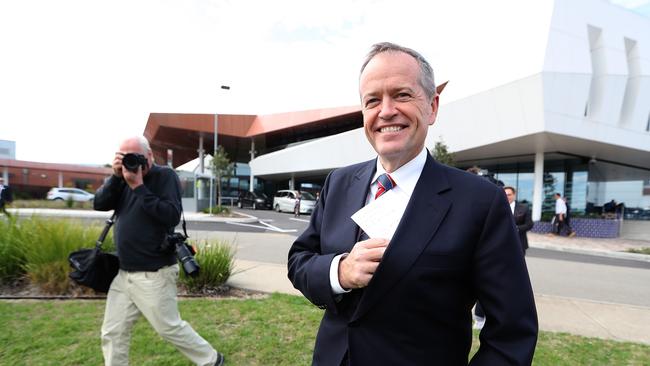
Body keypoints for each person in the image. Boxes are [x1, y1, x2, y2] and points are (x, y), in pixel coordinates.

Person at [288, 42, 537, 365]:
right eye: (372, 100)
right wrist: (340, 271)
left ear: (432, 107)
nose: (386, 110)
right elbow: (300, 261)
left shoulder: (480, 201)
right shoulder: (339, 183)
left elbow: (512, 333)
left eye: (402, 95)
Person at [94, 136, 224, 366]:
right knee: (112, 331)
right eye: (124, 157)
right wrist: (116, 177)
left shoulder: (165, 176)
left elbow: (170, 216)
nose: (130, 162)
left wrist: (138, 187)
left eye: (135, 156)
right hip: (124, 274)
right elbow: (99, 203)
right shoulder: (121, 177)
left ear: (150, 156)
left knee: (169, 328)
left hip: (154, 273)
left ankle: (212, 359)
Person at [505, 186, 534, 253]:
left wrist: (516, 228)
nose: (507, 197)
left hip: (519, 242)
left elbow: (529, 224)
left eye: (509, 195)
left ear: (514, 195)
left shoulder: (524, 208)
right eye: (505, 195)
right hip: (501, 243)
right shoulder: (498, 207)